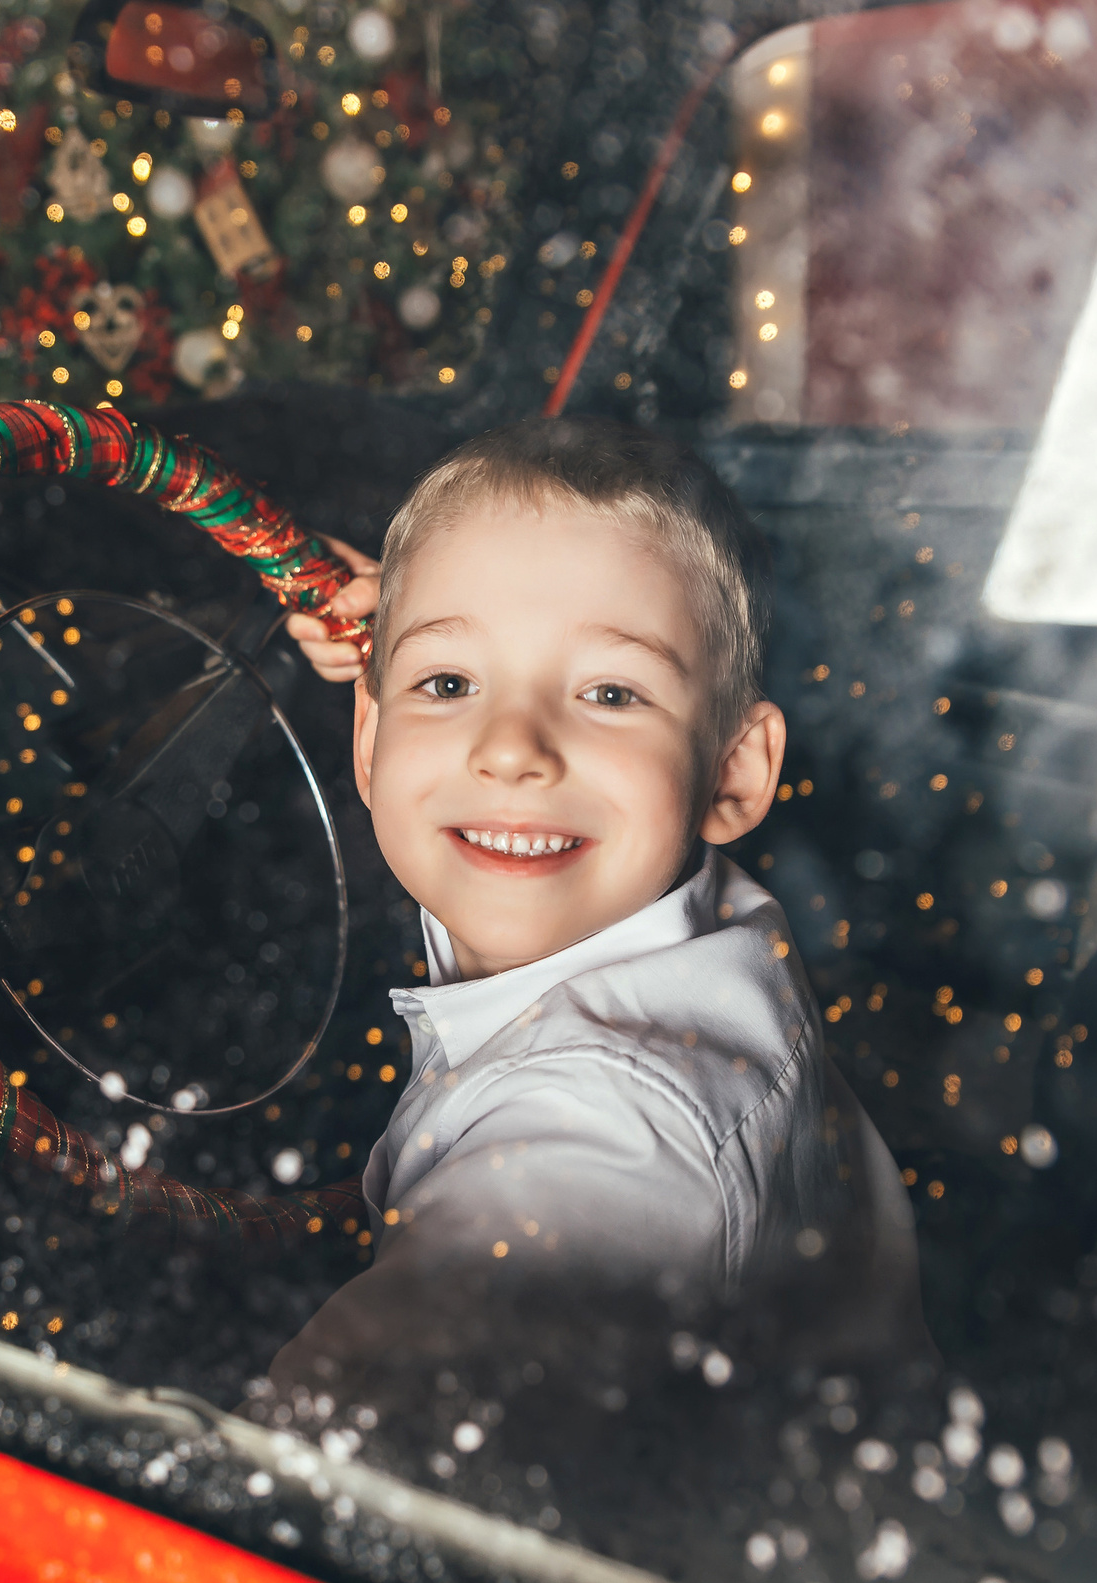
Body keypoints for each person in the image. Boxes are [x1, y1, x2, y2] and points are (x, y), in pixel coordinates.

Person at [265, 416, 922, 1419]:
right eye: (448, 684)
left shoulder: (601, 1141)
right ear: (369, 734)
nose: (510, 746)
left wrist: (434, 658)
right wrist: (393, 628)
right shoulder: (692, 907)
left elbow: (316, 1469)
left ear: (733, 771)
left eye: (610, 693)